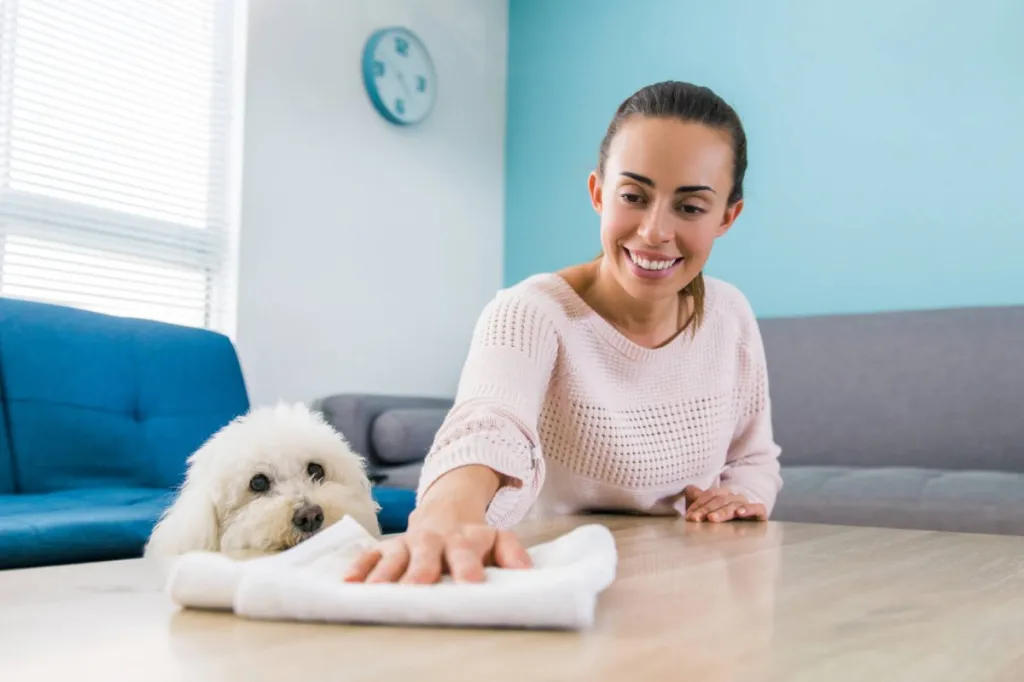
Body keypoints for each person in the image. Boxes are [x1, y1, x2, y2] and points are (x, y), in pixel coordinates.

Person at [344, 80, 783, 585]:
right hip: (548, 580)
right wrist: (446, 511)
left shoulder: (730, 316)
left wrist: (743, 499)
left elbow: (753, 458)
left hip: (687, 580)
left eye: (690, 207)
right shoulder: (530, 312)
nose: (654, 231)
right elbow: (488, 424)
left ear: (727, 216)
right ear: (599, 193)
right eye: (634, 196)